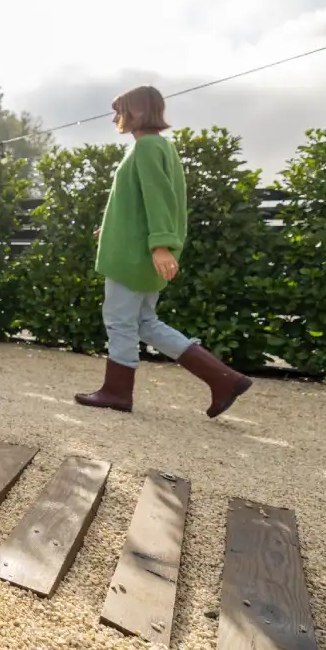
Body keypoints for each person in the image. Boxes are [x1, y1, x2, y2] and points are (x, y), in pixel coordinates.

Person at [74, 85, 252, 418]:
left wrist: (160, 246)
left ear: (136, 112)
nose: (115, 118)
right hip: (138, 250)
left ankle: (117, 392)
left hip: (134, 256)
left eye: (120, 110)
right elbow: (142, 201)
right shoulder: (161, 147)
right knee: (145, 322)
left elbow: (159, 199)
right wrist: (113, 226)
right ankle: (224, 379)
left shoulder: (145, 148)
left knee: (119, 321)